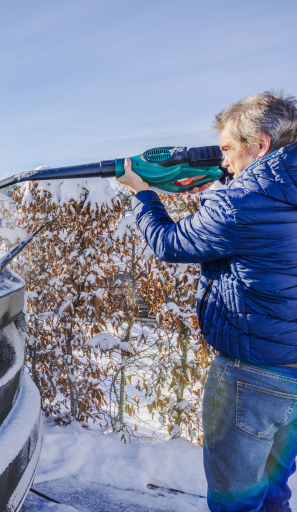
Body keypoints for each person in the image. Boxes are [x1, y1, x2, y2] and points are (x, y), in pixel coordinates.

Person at [116, 91, 297, 512]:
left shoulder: (240, 203)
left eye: (230, 149)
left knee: (237, 504)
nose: (225, 162)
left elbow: (169, 242)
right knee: (273, 495)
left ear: (262, 144)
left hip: (251, 378)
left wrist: (143, 193)